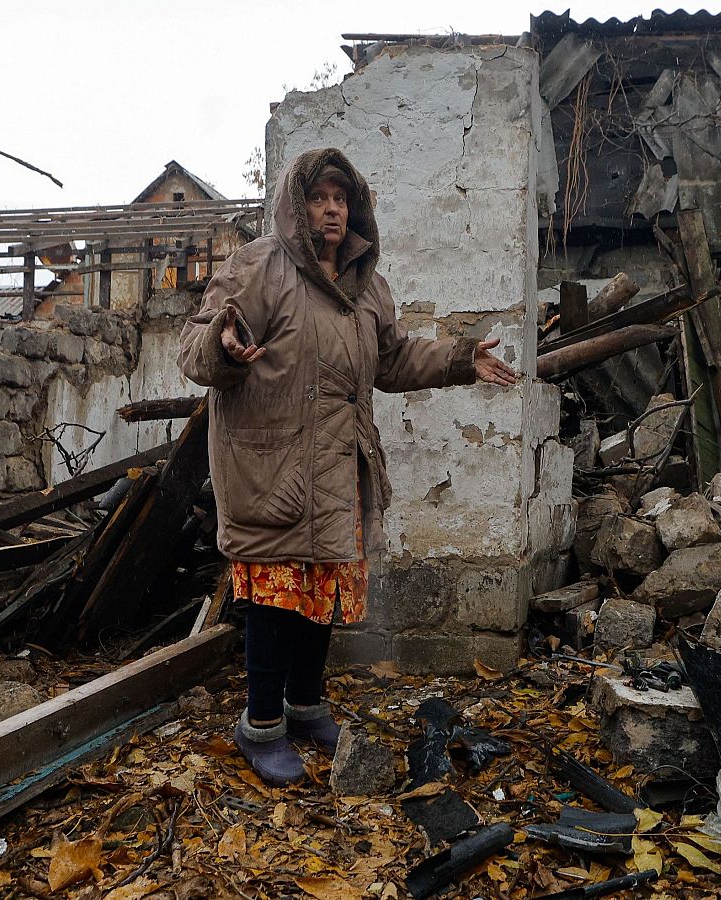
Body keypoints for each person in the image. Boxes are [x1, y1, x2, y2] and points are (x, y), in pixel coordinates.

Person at [178, 148, 518, 785]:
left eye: (340, 198)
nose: (331, 210)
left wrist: (459, 359)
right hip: (272, 465)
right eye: (318, 198)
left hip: (338, 463)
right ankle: (261, 725)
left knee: (322, 589)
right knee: (278, 597)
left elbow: (391, 359)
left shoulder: (367, 285)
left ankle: (305, 707)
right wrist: (221, 345)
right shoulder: (260, 267)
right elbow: (194, 347)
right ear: (296, 206)